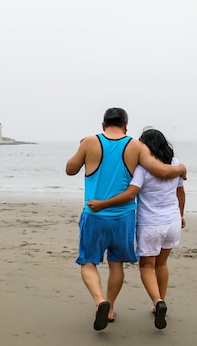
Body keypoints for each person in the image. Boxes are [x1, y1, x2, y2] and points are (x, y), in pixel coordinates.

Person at [66, 108, 187, 331]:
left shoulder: (90, 142)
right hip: (124, 218)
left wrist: (83, 147)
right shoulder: (136, 147)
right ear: (126, 125)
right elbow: (161, 171)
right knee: (116, 264)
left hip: (94, 214)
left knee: (88, 261)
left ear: (103, 125)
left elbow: (70, 170)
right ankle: (110, 307)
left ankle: (100, 301)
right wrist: (181, 169)